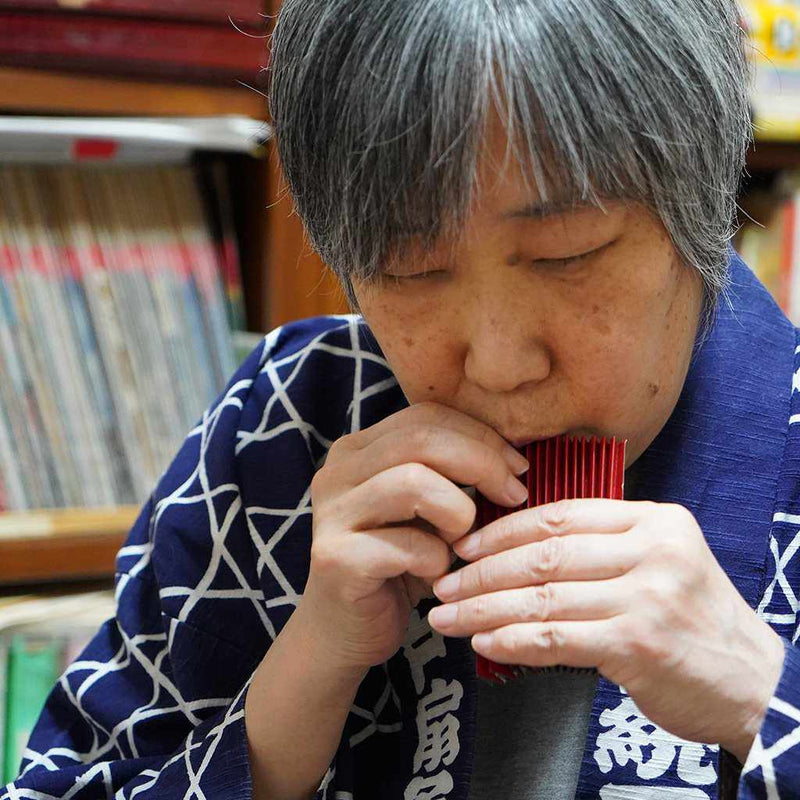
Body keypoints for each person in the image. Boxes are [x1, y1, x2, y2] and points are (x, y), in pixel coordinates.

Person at [4, 0, 799, 798]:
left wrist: (763, 694)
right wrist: (303, 678)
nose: (498, 363)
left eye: (569, 255)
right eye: (413, 271)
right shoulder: (284, 423)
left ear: (700, 197)